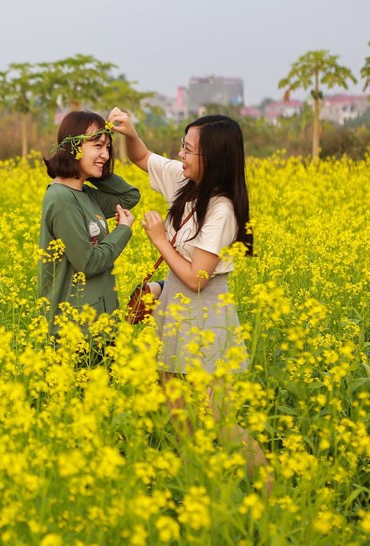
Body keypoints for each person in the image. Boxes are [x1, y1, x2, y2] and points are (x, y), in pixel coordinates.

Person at [108, 107, 269, 484]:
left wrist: (159, 240)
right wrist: (129, 133)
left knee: (221, 420)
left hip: (207, 318)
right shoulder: (185, 183)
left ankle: (269, 493)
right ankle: (202, 488)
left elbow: (198, 278)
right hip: (175, 312)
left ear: (212, 157)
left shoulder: (222, 208)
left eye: (188, 149)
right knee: (179, 414)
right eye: (182, 147)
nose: (180, 155)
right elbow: (141, 158)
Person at [37, 111, 139, 344]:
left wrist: (93, 170)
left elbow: (130, 196)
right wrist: (123, 230)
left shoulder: (85, 194)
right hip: (75, 334)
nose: (105, 154)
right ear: (73, 147)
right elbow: (88, 263)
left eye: (108, 148)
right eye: (97, 145)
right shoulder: (61, 198)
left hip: (100, 327)